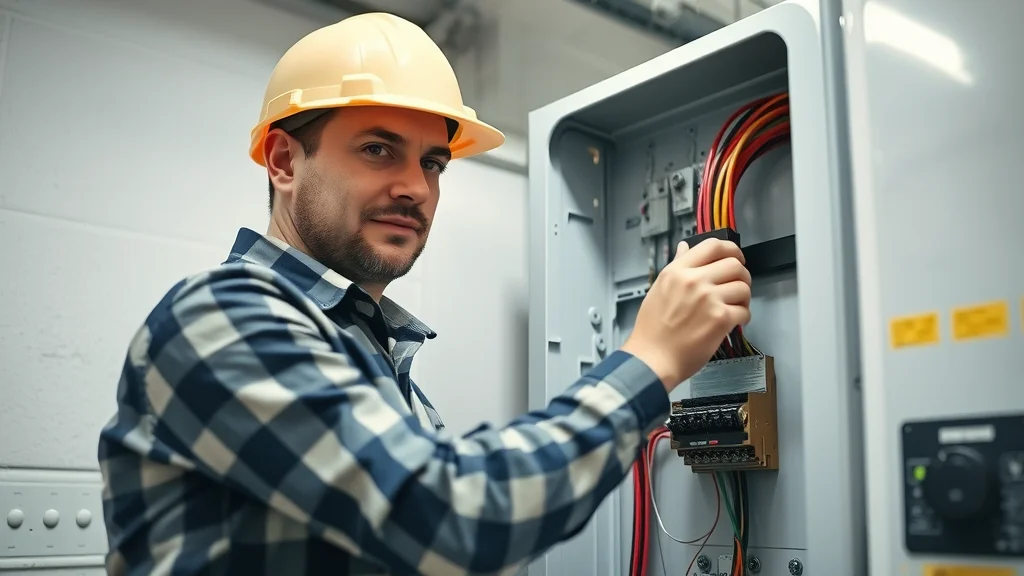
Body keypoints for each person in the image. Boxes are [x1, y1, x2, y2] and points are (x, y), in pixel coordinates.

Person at [97, 11, 752, 576]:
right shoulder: (221, 318)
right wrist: (650, 361)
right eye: (380, 150)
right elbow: (452, 518)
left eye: (432, 162)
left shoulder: (370, 355)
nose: (416, 186)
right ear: (284, 162)